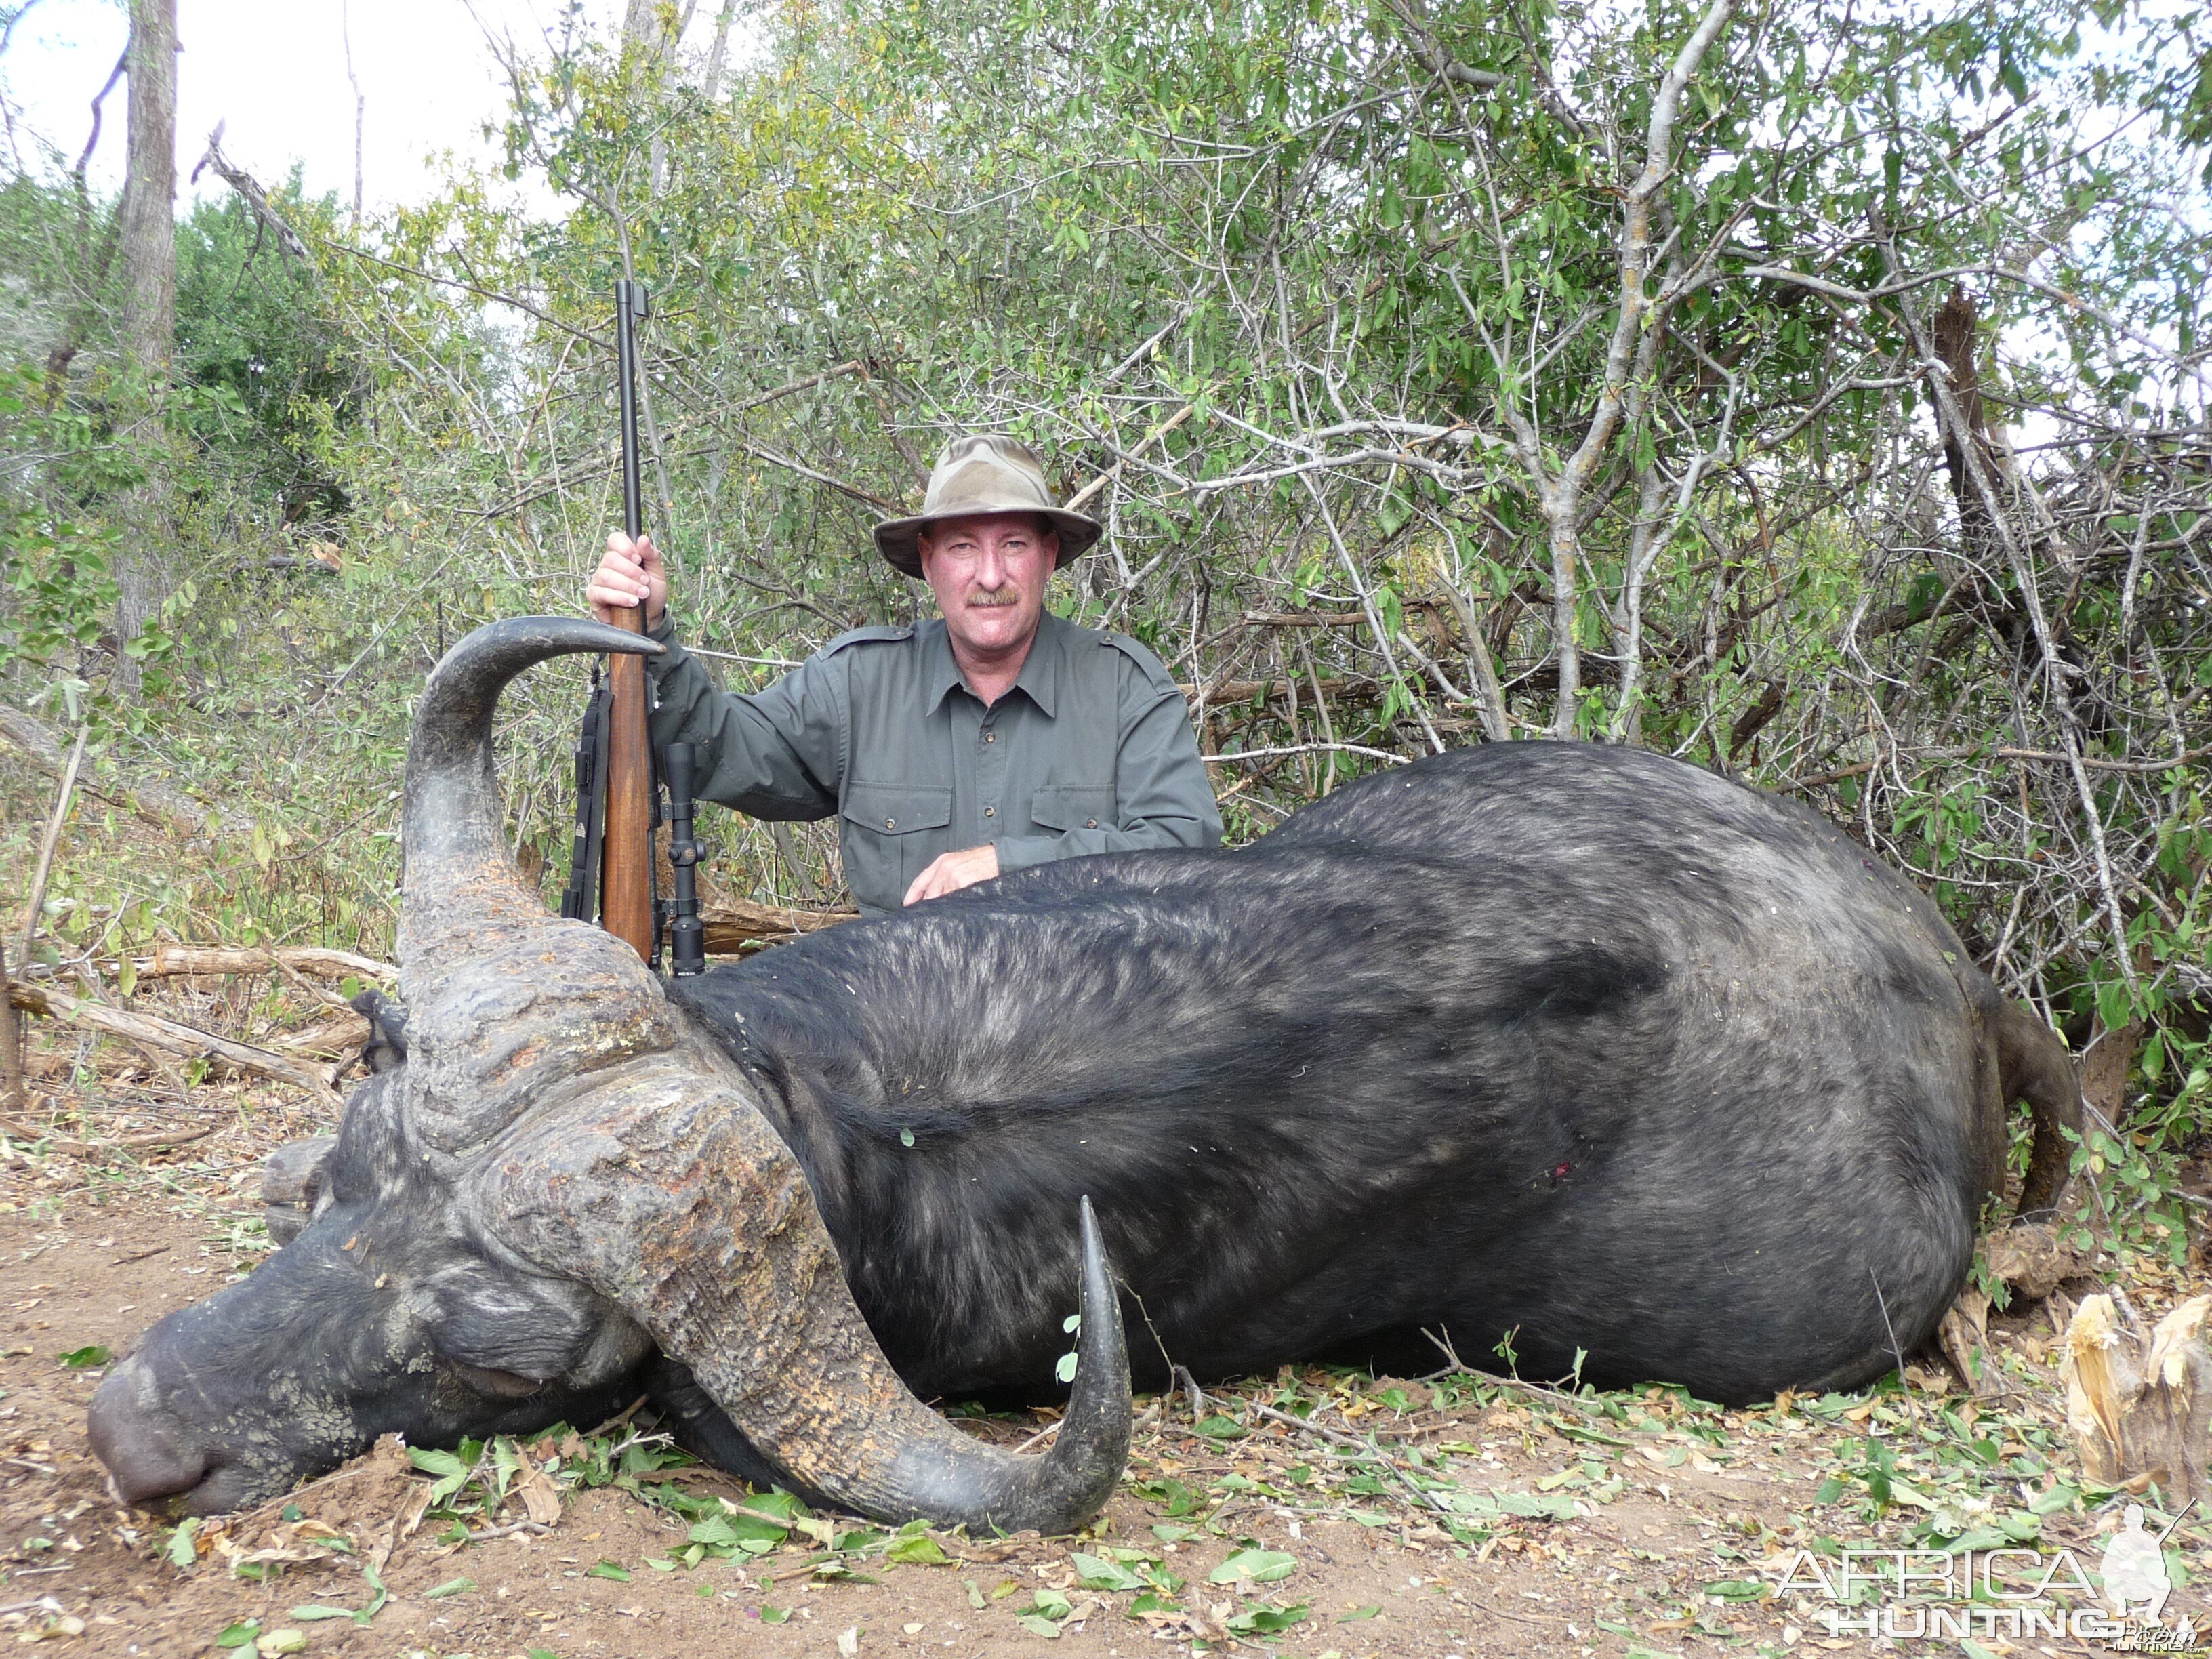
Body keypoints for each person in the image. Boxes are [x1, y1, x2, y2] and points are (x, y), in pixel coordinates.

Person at [585, 433, 1223, 917]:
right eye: (964, 546)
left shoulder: (1125, 687)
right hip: (906, 1055)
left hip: (1084, 1046)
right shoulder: (858, 684)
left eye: (1015, 545)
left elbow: (1186, 850)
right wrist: (649, 631)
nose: (991, 576)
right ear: (928, 560)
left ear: (1049, 555)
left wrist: (1007, 866)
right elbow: (717, 746)